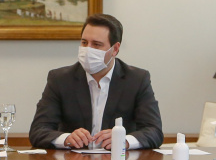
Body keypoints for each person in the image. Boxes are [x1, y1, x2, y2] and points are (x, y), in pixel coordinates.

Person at [29, 14, 163, 150]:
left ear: (115, 49)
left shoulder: (137, 79)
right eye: (84, 42)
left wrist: (124, 141)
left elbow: (154, 131)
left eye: (97, 44)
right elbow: (38, 130)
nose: (88, 50)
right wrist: (66, 138)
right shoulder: (59, 79)